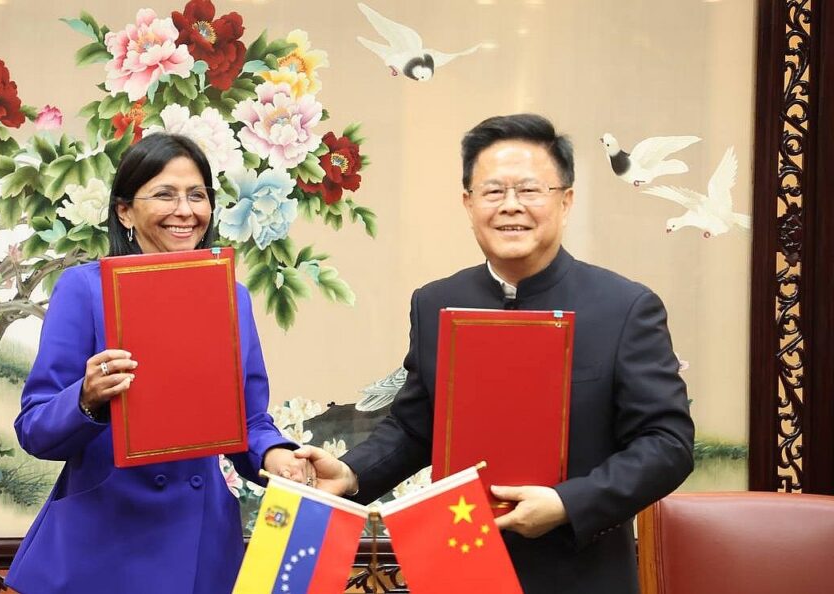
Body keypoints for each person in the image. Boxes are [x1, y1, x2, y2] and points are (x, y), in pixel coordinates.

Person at [298, 114, 695, 593]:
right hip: (460, 565)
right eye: (492, 192)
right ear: (468, 204)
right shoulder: (434, 302)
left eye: (530, 190)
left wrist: (569, 503)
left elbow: (666, 444)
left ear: (565, 201)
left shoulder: (625, 307)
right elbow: (414, 426)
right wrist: (351, 472)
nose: (511, 207)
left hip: (580, 573)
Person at [6, 133, 311, 594]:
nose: (185, 210)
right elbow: (35, 430)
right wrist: (86, 399)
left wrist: (275, 455)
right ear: (125, 210)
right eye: (165, 195)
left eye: (197, 195)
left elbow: (247, 420)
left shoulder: (233, 297)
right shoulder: (83, 290)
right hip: (102, 544)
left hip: (200, 544)